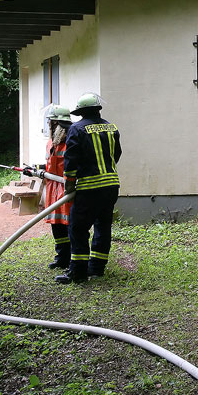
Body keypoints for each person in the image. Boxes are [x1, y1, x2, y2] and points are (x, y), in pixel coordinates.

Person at [56, 92, 121, 284]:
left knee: (78, 228)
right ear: (97, 109)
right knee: (103, 226)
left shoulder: (76, 129)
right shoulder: (112, 128)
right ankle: (97, 268)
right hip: (111, 185)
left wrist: (69, 184)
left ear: (81, 112)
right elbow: (116, 154)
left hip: (89, 187)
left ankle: (78, 272)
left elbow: (71, 159)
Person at [42, 105, 74, 272]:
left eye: (52, 122)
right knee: (56, 225)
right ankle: (61, 257)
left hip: (67, 188)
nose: (50, 126)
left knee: (70, 225)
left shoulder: (71, 142)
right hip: (53, 189)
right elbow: (50, 163)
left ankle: (74, 258)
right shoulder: (51, 143)